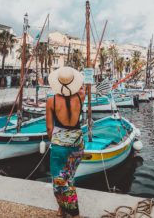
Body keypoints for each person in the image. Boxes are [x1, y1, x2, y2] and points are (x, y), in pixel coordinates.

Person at [46, 66, 86, 218]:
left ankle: (75, 214)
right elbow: (82, 87)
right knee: (69, 176)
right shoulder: (81, 95)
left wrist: (57, 142)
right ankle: (62, 209)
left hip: (60, 145)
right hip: (78, 143)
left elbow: (49, 129)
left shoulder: (51, 101)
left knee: (60, 180)